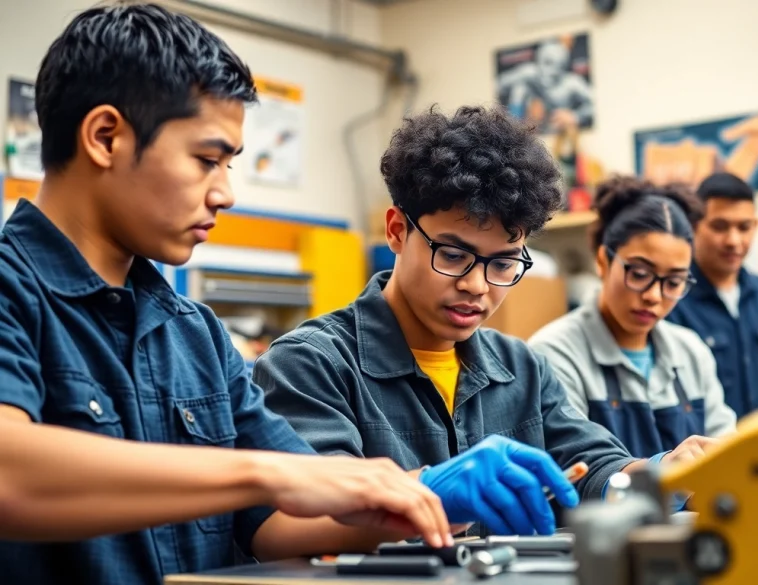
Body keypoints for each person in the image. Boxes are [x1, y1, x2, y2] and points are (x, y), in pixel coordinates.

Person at [0, 6, 453, 585]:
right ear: (105, 137)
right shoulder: (13, 293)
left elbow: (281, 516)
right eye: (207, 160)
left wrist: (433, 498)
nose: (227, 194)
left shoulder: (195, 334)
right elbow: (10, 476)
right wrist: (261, 473)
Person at [254, 106, 720, 547]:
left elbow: (593, 467)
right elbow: (289, 523)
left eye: (502, 264)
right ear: (397, 230)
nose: (477, 285)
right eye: (453, 256)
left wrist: (662, 473)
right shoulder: (312, 364)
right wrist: (425, 494)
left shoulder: (521, 368)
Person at [529, 176, 736, 458]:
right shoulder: (553, 354)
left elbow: (726, 454)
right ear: (603, 261)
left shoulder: (691, 353)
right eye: (639, 274)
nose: (654, 295)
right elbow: (574, 469)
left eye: (674, 282)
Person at [666, 172, 758, 418]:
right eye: (720, 226)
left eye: (744, 227)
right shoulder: (671, 300)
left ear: (755, 226)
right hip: (707, 452)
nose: (734, 240)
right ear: (693, 226)